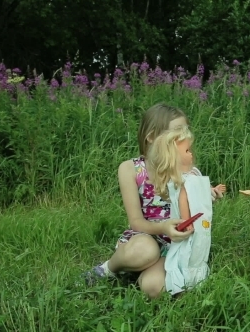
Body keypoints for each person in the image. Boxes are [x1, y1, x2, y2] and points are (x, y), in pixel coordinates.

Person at [82, 103, 225, 299]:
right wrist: (164, 227)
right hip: (144, 237)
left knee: (154, 288)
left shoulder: (185, 170)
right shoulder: (130, 169)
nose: (182, 139)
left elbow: (192, 204)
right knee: (145, 252)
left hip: (174, 244)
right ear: (151, 137)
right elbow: (136, 222)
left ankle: (146, 271)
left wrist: (206, 198)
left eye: (185, 132)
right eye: (176, 132)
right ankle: (108, 269)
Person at [146, 125, 214, 296]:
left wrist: (215, 192)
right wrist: (186, 221)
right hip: (192, 225)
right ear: (173, 157)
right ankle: (184, 286)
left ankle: (195, 284)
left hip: (199, 224)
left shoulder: (192, 176)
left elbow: (202, 194)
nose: (191, 154)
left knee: (199, 250)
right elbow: (184, 201)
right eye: (187, 150)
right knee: (190, 255)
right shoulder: (183, 183)